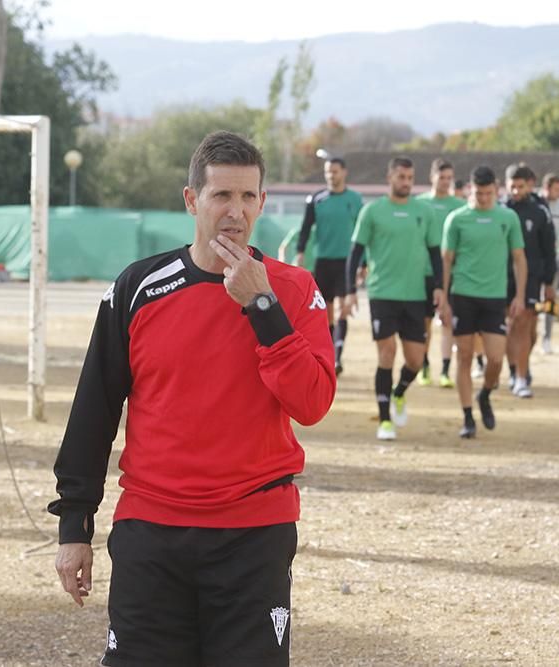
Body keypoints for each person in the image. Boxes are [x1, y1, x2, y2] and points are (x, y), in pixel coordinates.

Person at [49, 131, 336, 666]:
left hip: (254, 534)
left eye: (249, 197)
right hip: (152, 532)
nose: (236, 211)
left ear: (263, 203)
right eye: (221, 196)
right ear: (191, 200)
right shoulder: (137, 287)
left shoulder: (293, 290)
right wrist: (75, 527)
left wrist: (262, 307)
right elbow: (93, 412)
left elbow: (313, 402)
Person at [344, 156, 442, 441]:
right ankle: (385, 420)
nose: (406, 182)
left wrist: (438, 286)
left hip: (414, 295)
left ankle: (399, 393)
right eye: (401, 177)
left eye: (410, 178)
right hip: (381, 293)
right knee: (386, 353)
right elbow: (355, 253)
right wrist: (350, 291)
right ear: (390, 178)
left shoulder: (425, 212)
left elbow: (435, 252)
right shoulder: (372, 212)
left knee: (415, 360)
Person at [439, 166, 526, 438]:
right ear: (470, 190)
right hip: (463, 295)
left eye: (488, 193)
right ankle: (467, 418)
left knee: (496, 359)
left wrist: (520, 295)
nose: (484, 198)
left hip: (494, 297)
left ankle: (485, 394)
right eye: (479, 193)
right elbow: (447, 260)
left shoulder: (508, 217)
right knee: (464, 356)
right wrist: (443, 297)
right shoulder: (456, 219)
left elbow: (519, 258)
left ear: (496, 190)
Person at [295, 157, 364, 376]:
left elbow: (362, 235)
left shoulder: (355, 199)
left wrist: (364, 263)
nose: (330, 175)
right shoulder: (317, 199)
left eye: (334, 171)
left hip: (347, 262)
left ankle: (338, 355)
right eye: (327, 172)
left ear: (344, 173)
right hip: (323, 261)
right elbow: (305, 227)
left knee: (344, 308)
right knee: (326, 312)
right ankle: (331, 355)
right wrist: (300, 252)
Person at [503, 164, 556, 398]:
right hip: (503, 278)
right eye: (512, 186)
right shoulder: (500, 209)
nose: (515, 191)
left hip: (533, 278)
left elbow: (549, 248)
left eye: (520, 186)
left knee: (528, 330)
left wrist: (549, 282)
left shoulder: (540, 212)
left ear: (530, 185)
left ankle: (521, 368)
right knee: (512, 326)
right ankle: (517, 374)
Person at [415, 158, 464, 388]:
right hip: (422, 272)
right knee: (424, 324)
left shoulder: (459, 206)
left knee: (448, 322)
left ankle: (445, 370)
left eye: (449, 178)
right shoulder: (419, 204)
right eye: (441, 177)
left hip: (451, 274)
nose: (445, 182)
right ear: (432, 177)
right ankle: (424, 365)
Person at [541, 173, 559, 355]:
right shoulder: (537, 204)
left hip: (556, 259)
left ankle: (547, 337)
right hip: (537, 259)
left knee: (550, 300)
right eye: (556, 189)